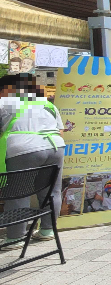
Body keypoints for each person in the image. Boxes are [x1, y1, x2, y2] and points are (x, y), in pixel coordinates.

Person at [0, 74, 65, 251]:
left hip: (23, 149)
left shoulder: (5, 103)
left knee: (18, 193)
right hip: (55, 147)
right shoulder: (47, 104)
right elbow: (60, 131)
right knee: (52, 191)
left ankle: (15, 239)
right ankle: (47, 230)